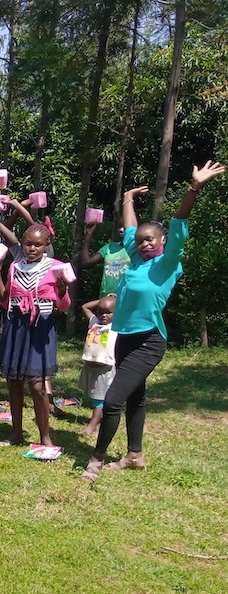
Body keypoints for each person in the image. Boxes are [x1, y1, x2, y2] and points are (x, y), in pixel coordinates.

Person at [82, 161, 226, 481]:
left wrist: (194, 188)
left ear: (162, 241)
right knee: (135, 397)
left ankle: (96, 460)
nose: (145, 243)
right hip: (125, 337)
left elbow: (179, 221)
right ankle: (134, 456)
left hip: (149, 341)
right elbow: (131, 227)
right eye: (142, 240)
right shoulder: (135, 259)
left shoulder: (167, 263)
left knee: (113, 400)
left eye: (151, 240)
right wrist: (128, 199)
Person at [0, 221, 72, 451]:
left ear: (47, 245)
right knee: (14, 382)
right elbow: (6, 300)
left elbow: (64, 306)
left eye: (38, 244)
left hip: (41, 328)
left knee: (37, 386)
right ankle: (16, 432)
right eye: (28, 244)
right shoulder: (15, 267)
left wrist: (61, 290)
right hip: (17, 325)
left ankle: (45, 436)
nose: (32, 248)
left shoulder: (56, 267)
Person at [78, 294, 117, 437]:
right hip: (89, 367)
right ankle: (100, 417)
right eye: (101, 312)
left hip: (104, 369)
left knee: (100, 399)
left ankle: (92, 425)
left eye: (109, 312)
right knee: (91, 395)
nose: (104, 315)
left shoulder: (116, 327)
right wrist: (104, 299)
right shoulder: (94, 322)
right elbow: (85, 307)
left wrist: (118, 300)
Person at [80, 213, 129, 297]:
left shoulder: (136, 250)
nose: (121, 230)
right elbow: (86, 262)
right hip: (105, 297)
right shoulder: (109, 247)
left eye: (125, 227)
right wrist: (89, 234)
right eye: (119, 226)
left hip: (126, 298)